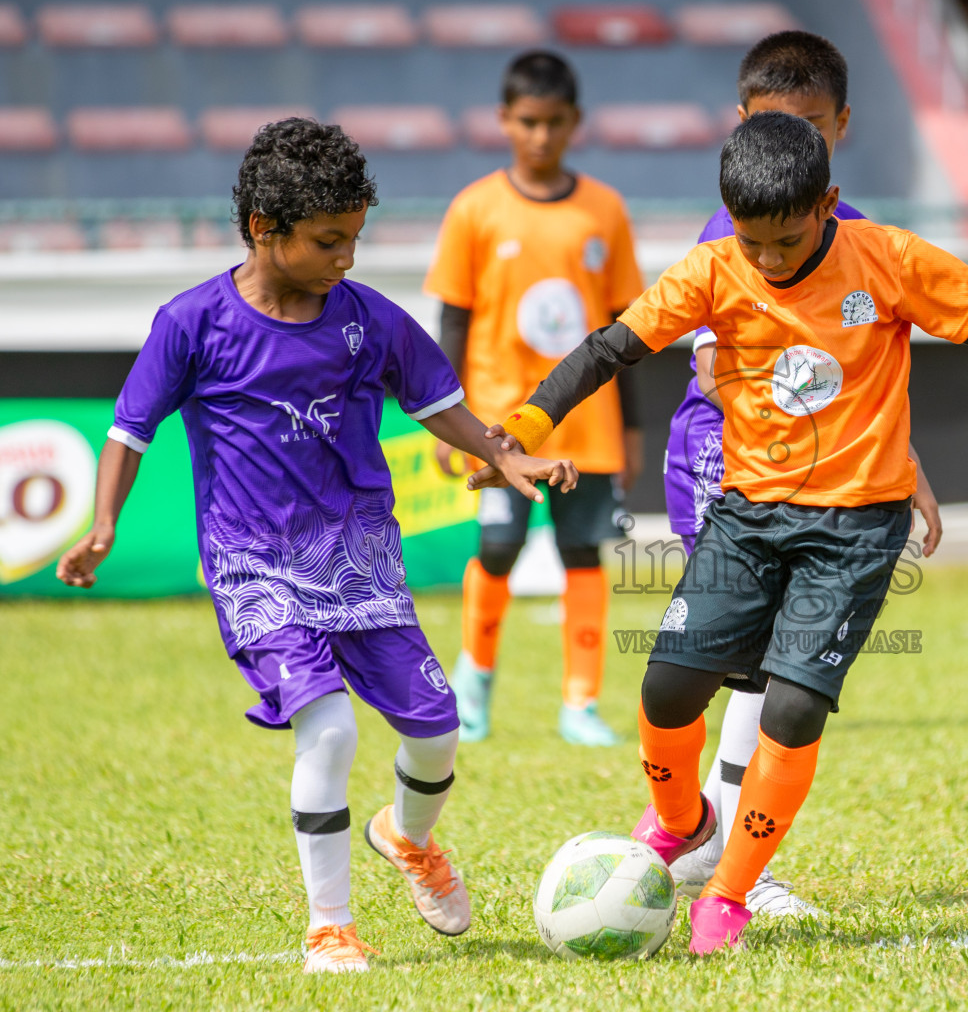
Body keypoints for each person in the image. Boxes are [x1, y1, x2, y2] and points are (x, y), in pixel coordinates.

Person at [479, 113, 968, 954]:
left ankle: (727, 895)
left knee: (794, 706)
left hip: (856, 529)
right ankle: (682, 822)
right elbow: (610, 348)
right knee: (665, 691)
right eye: (749, 240)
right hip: (745, 517)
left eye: (785, 241)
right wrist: (527, 425)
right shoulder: (713, 267)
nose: (766, 261)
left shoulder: (888, 260)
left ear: (829, 204)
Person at [54, 118, 576, 973]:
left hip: (359, 557)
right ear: (265, 228)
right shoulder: (191, 323)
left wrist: (504, 453)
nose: (349, 258)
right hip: (252, 562)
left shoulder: (368, 320)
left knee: (438, 729)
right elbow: (130, 430)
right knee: (328, 731)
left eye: (356, 238)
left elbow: (434, 400)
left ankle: (406, 839)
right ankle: (329, 926)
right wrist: (105, 523)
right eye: (331, 240)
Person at [664, 29, 941, 921]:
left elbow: (852, 374)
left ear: (842, 126)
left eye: (813, 127)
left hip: (816, 471)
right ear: (740, 125)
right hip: (732, 462)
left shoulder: (850, 235)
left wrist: (903, 463)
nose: (791, 147)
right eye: (775, 127)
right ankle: (714, 850)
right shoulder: (740, 224)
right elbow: (718, 368)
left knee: (766, 671)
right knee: (752, 669)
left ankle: (712, 846)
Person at [426, 51, 645, 747]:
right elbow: (453, 318)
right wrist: (445, 419)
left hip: (588, 425)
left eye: (554, 123)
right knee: (498, 545)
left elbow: (627, 328)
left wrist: (632, 427)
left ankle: (580, 704)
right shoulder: (475, 208)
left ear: (574, 122)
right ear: (504, 120)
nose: (541, 136)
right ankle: (474, 684)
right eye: (528, 122)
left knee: (584, 551)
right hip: (497, 422)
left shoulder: (604, 210)